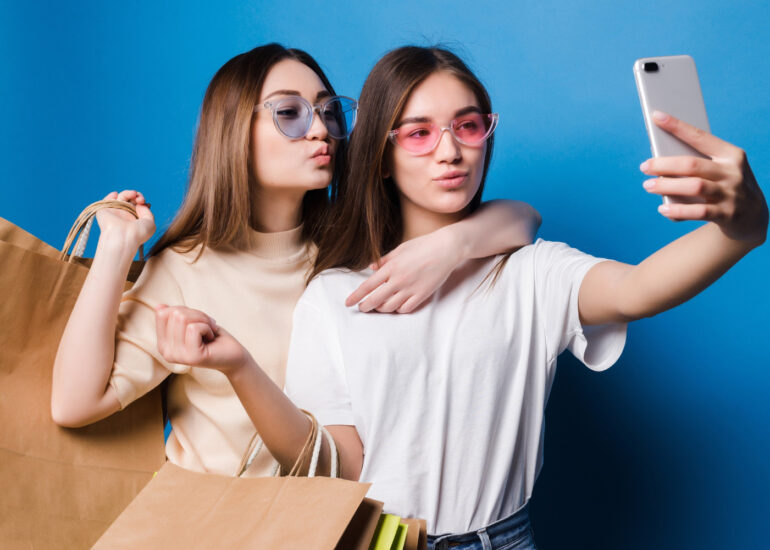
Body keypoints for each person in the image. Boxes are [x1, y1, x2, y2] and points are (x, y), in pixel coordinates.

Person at [152, 44, 767, 549]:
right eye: (418, 133)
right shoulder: (334, 295)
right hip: (378, 542)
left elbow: (637, 288)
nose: (450, 150)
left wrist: (744, 228)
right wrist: (237, 366)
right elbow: (337, 463)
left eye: (468, 125)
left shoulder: (529, 274)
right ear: (383, 156)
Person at [51, 43, 540, 479]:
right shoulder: (184, 270)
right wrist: (115, 252)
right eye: (290, 113)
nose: (320, 130)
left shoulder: (356, 247)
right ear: (234, 130)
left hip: (335, 522)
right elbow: (75, 403)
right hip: (217, 529)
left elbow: (523, 219)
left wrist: (450, 245)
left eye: (329, 112)